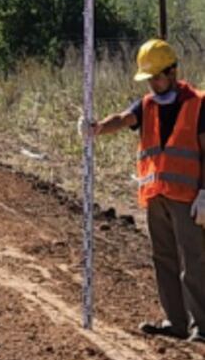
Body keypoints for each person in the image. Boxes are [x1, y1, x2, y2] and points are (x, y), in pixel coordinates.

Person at [81, 39, 205, 341]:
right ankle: (176, 323)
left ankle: (201, 326)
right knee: (163, 258)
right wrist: (96, 128)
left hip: (189, 199)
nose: (152, 83)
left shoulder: (199, 103)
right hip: (155, 196)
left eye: (156, 77)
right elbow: (123, 119)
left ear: (172, 72)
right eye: (148, 78)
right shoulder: (147, 104)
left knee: (194, 260)